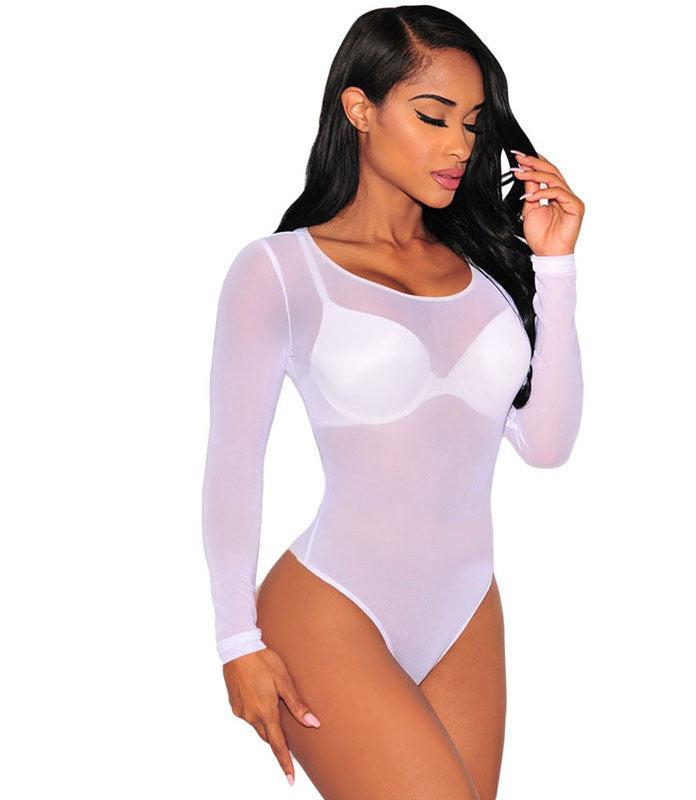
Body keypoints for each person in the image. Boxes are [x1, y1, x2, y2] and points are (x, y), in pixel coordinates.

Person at [201, 6, 584, 798]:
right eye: (433, 117)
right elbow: (234, 459)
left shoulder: (486, 272)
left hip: (466, 607)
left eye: (472, 124)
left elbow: (546, 445)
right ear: (361, 109)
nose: (460, 147)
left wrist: (555, 268)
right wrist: (237, 640)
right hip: (331, 604)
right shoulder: (280, 271)